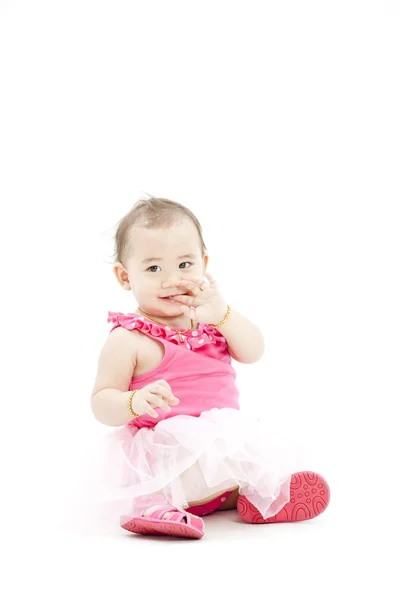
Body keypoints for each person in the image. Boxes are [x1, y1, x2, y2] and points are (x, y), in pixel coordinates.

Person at [90, 196, 330, 539]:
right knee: (160, 474)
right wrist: (133, 402)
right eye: (154, 268)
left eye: (184, 265)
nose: (171, 279)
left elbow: (254, 351)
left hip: (217, 450)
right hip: (165, 458)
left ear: (203, 263)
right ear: (125, 277)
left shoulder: (212, 320)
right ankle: (152, 508)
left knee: (245, 456)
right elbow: (101, 401)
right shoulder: (128, 339)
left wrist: (223, 315)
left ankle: (253, 498)